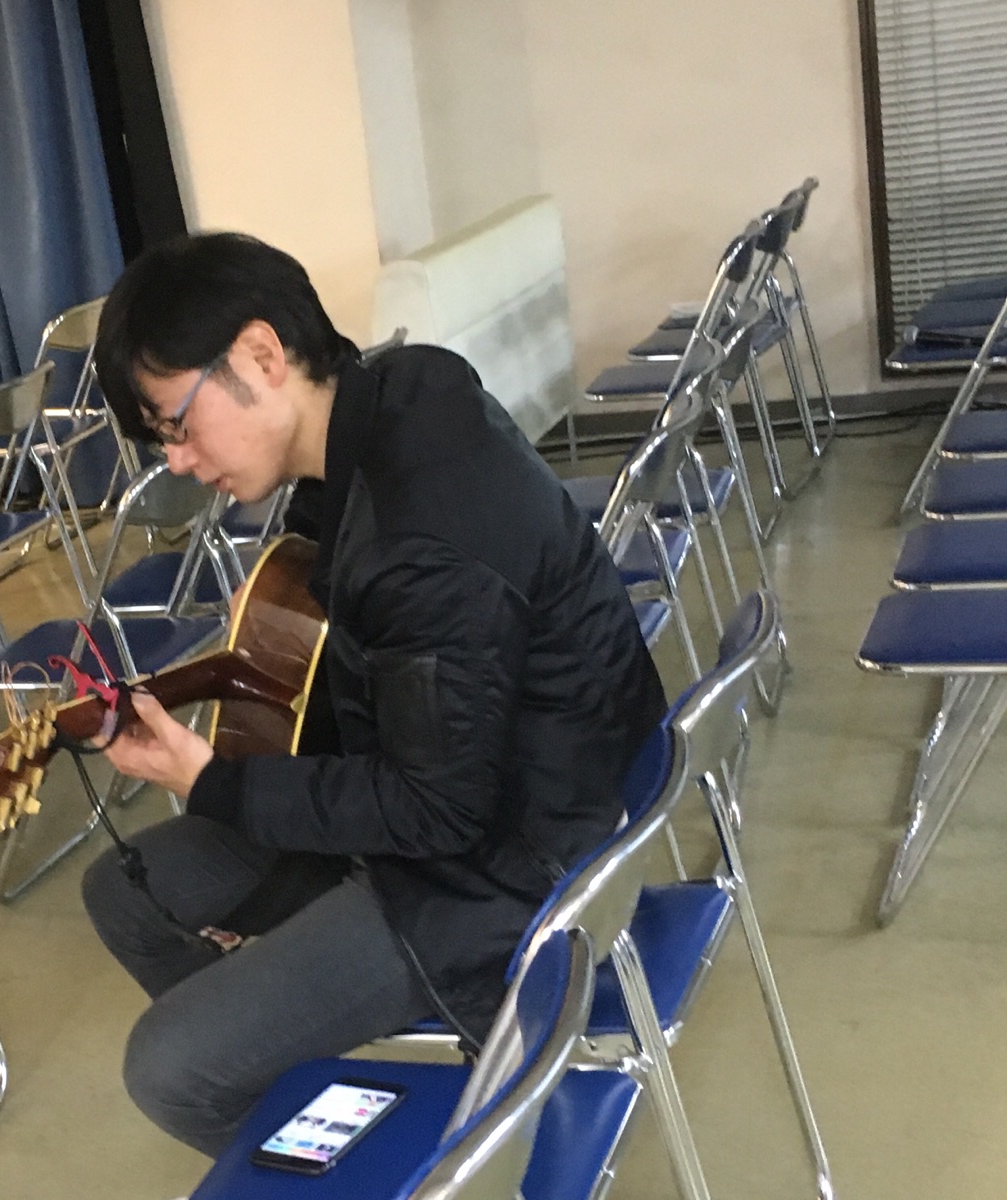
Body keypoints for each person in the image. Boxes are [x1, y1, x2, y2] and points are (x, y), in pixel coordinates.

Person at [81, 231, 666, 1157]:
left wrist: (211, 779)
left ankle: (360, 1149)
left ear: (261, 356)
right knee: (124, 891)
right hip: (496, 788)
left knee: (170, 1069)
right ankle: (289, 1091)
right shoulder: (405, 392)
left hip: (505, 867)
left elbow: (436, 808)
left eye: (177, 426)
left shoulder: (414, 539)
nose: (179, 462)